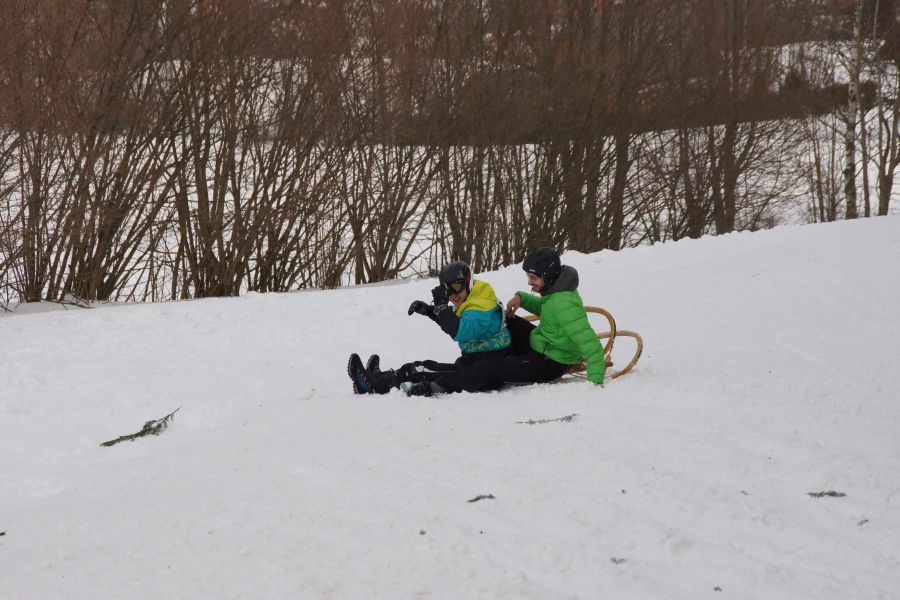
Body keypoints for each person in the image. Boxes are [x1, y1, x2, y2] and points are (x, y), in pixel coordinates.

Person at [395, 247, 605, 396]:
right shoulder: (556, 293)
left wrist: (595, 381)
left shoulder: (565, 305)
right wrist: (522, 299)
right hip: (544, 343)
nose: (529, 282)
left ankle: (439, 386)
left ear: (548, 276)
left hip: (551, 361)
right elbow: (547, 309)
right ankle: (487, 355)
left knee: (493, 367)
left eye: (533, 278)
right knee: (507, 321)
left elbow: (590, 343)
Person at [347, 261, 511, 394]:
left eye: (456, 287)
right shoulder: (476, 296)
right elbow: (458, 322)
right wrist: (431, 311)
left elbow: (459, 330)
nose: (453, 295)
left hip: (482, 370)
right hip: (477, 361)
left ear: (468, 282)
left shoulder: (481, 307)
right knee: (423, 367)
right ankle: (379, 377)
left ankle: (373, 385)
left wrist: (441, 307)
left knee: (420, 371)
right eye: (447, 290)